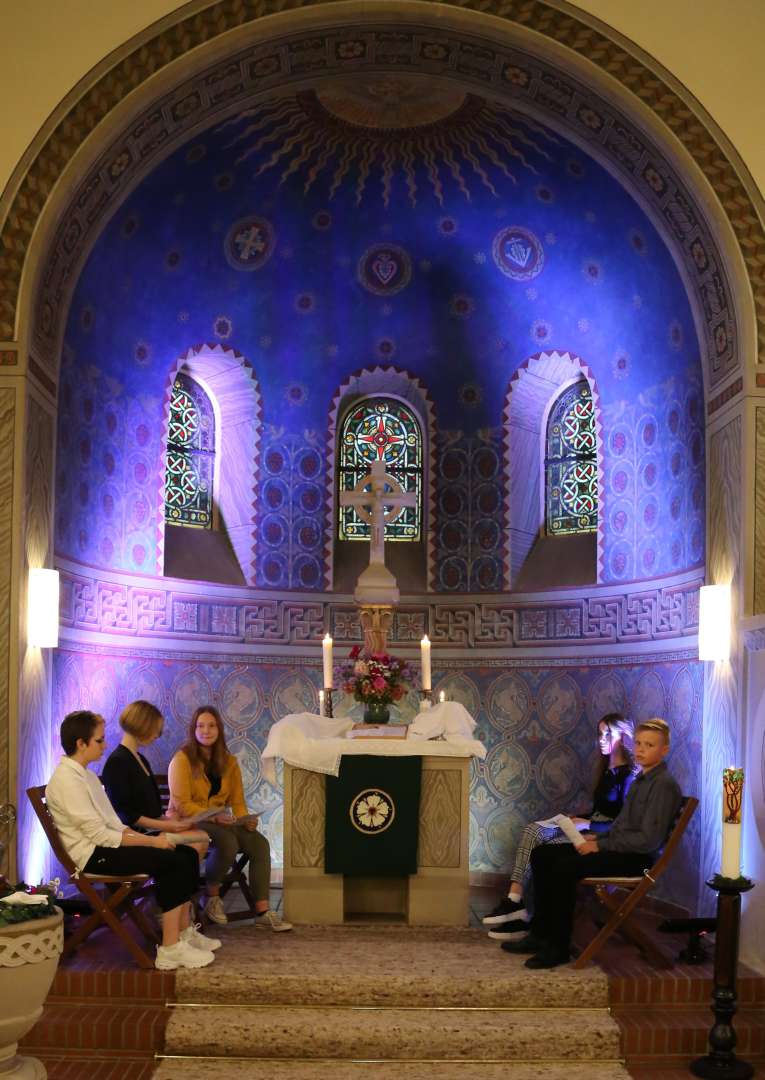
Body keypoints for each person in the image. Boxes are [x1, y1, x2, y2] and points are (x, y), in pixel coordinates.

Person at [501, 717, 682, 969]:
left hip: (636, 860)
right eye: (639, 743)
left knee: (564, 867)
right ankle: (540, 934)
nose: (641, 749)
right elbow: (621, 827)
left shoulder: (663, 785)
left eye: (649, 745)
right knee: (543, 855)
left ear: (664, 750)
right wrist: (597, 837)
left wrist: (600, 846)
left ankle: (558, 947)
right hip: (620, 849)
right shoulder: (642, 780)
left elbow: (647, 840)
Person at [45, 709, 216, 971]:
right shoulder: (67, 781)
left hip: (106, 846)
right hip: (93, 856)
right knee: (173, 861)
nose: (105, 745)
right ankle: (170, 949)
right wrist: (153, 842)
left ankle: (183, 934)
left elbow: (113, 824)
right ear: (81, 744)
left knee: (187, 853)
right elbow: (100, 835)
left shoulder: (86, 775)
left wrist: (149, 837)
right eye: (99, 740)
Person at [483, 713, 635, 939]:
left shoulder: (629, 776)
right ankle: (515, 901)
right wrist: (578, 817)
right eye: (600, 734)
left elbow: (622, 823)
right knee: (533, 830)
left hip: (599, 836)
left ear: (622, 737)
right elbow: (601, 810)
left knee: (542, 852)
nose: (601, 739)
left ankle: (526, 913)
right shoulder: (606, 770)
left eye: (608, 734)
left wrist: (588, 823)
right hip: (586, 827)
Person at [101, 700, 219, 948]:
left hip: (153, 827)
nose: (158, 734)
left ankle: (183, 921)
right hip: (137, 835)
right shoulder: (118, 762)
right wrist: (166, 826)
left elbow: (152, 810)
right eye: (156, 729)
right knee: (192, 848)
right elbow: (127, 816)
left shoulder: (140, 759)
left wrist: (174, 822)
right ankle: (176, 917)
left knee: (200, 838)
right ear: (142, 725)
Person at [167, 705, 292, 931]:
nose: (206, 731)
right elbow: (182, 805)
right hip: (189, 821)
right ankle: (211, 897)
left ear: (219, 730)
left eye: (211, 726)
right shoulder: (182, 760)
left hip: (218, 821)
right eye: (200, 726)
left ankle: (262, 912)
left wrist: (246, 820)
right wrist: (215, 817)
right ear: (193, 730)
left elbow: (238, 801)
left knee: (260, 844)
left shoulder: (229, 761)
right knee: (227, 840)